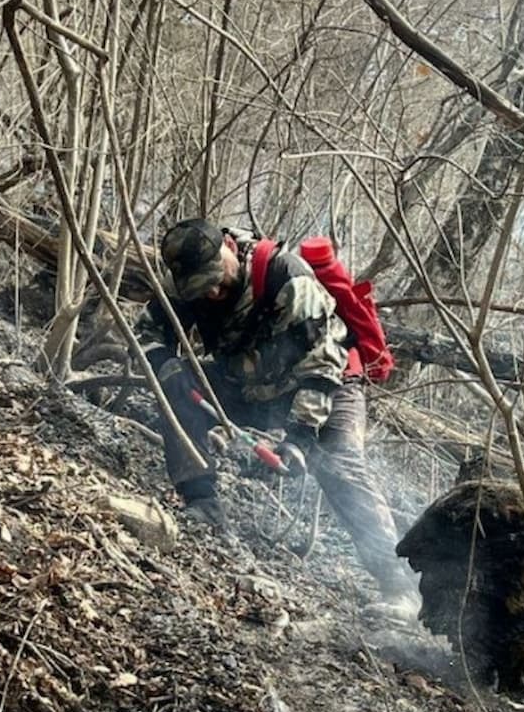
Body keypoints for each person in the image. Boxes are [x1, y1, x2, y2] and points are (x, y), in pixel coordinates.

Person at [139, 217, 416, 603]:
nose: (214, 292)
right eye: (203, 288)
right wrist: (167, 367)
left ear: (229, 249)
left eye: (217, 279)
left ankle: (398, 582)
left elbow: (321, 366)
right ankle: (202, 502)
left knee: (337, 463)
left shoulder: (286, 276)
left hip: (328, 385)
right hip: (249, 385)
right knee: (176, 386)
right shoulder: (184, 285)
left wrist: (300, 438)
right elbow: (146, 334)